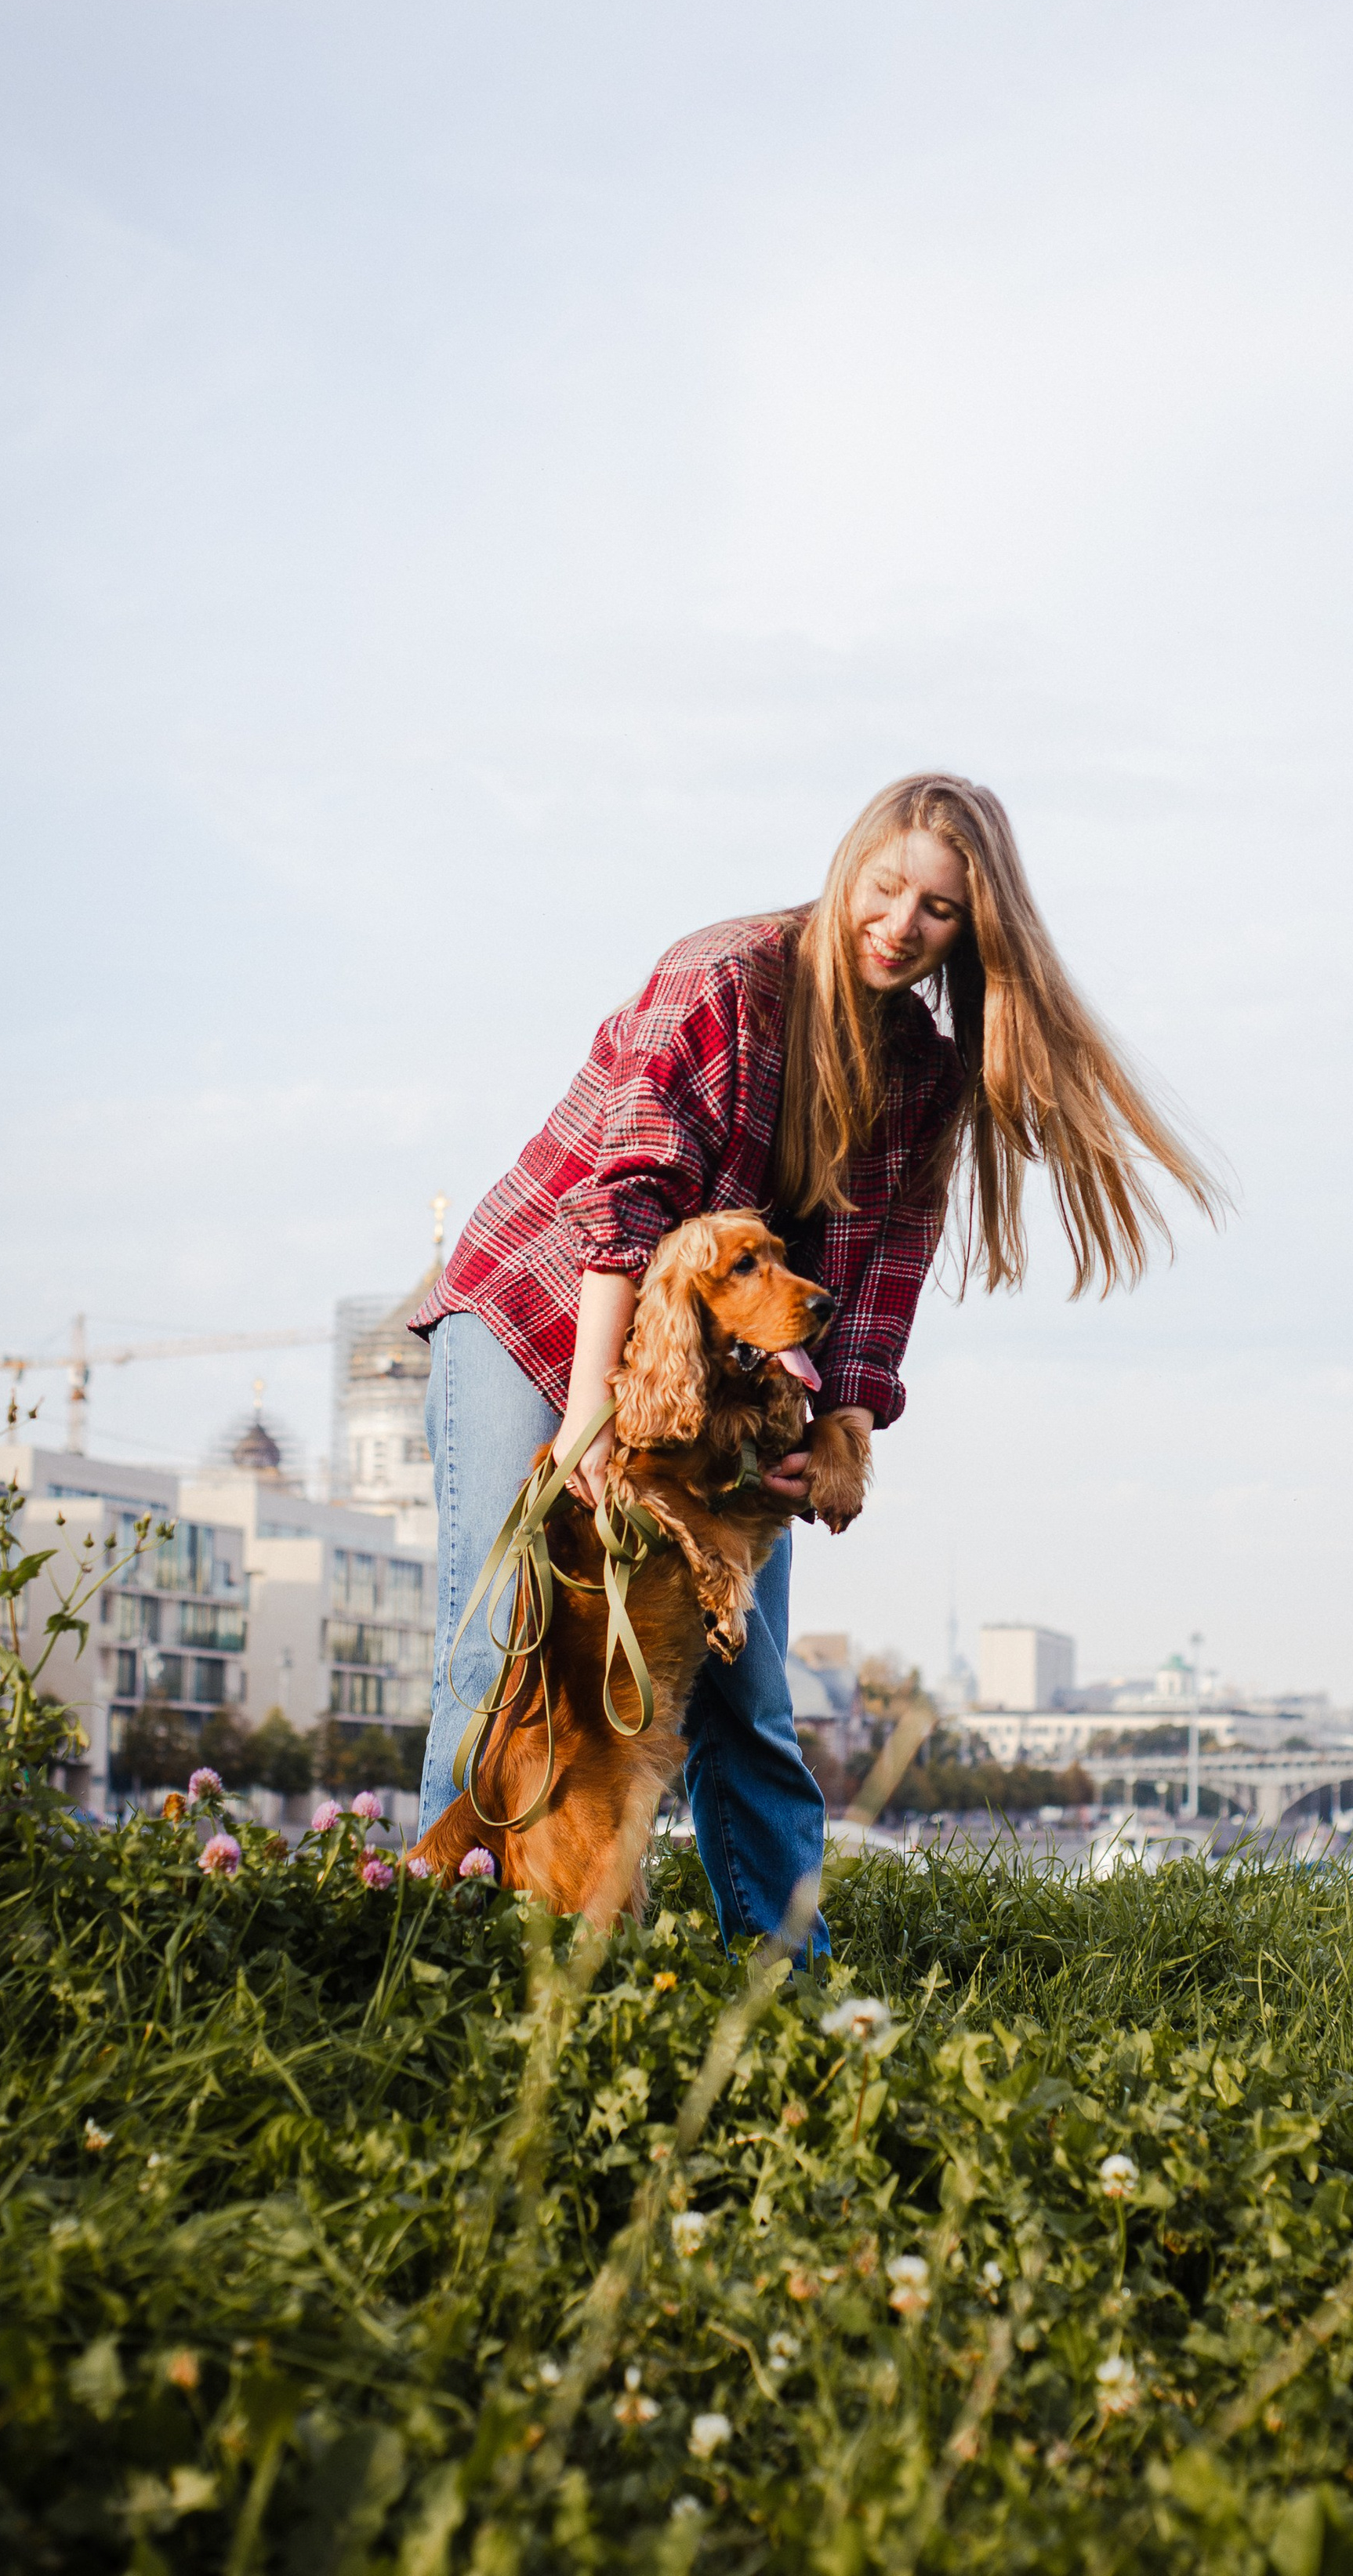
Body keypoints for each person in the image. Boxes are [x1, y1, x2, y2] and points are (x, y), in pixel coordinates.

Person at [411, 771, 1219, 1952]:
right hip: (547, 1313)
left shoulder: (929, 1076)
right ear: (850, 867)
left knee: (748, 1683)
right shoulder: (723, 977)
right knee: (501, 1648)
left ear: (972, 931)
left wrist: (841, 1433)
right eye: (886, 889)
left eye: (938, 912)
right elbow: (627, 1203)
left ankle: (782, 1974)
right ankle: (436, 1954)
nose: (901, 927)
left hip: (733, 1376)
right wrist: (584, 1417)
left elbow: (882, 1281)